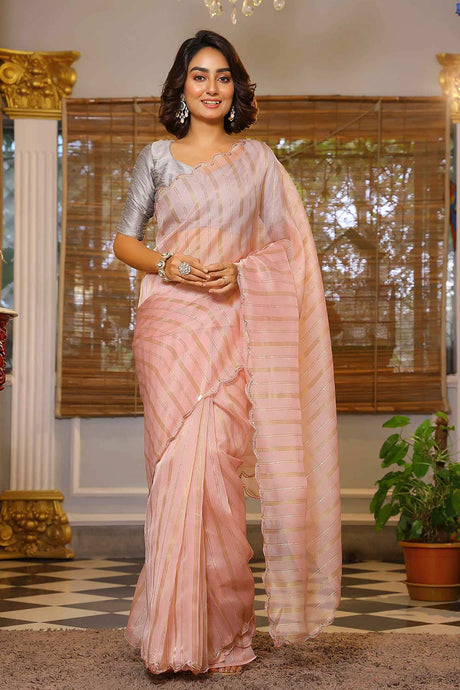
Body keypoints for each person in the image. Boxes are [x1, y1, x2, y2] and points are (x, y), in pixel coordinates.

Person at [113, 29, 341, 677]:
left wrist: (241, 272)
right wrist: (171, 265)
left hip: (232, 326)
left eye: (222, 76)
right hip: (169, 326)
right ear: (181, 87)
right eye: (199, 76)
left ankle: (217, 634)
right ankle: (172, 635)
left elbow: (288, 248)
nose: (211, 87)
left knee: (213, 469)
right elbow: (124, 242)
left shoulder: (258, 162)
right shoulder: (157, 158)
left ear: (236, 88)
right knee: (174, 474)